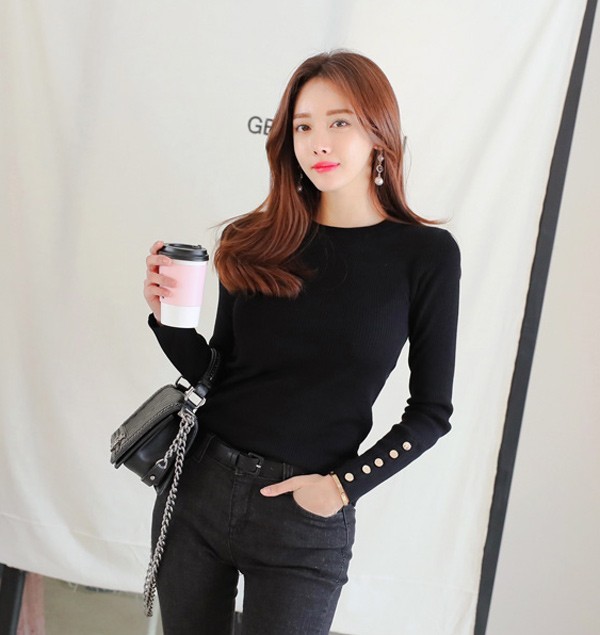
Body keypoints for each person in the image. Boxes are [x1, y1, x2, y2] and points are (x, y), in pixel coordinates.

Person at [143, 49, 460, 635]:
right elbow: (218, 373)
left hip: (304, 518)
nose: (319, 143)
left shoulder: (425, 256)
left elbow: (431, 413)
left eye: (339, 122)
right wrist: (169, 323)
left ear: (379, 132)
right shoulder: (253, 238)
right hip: (199, 489)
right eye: (303, 127)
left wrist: (343, 487)